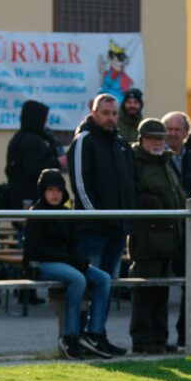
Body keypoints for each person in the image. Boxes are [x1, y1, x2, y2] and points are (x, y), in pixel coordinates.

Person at [24, 169, 113, 360]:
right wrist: (70, 260)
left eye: (58, 189)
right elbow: (35, 250)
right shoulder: (36, 214)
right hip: (43, 264)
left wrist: (79, 259)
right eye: (50, 189)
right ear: (43, 191)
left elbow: (73, 246)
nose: (55, 194)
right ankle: (70, 336)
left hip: (66, 262)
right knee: (77, 279)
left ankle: (95, 334)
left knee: (103, 278)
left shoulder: (67, 214)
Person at [67, 94, 136, 294]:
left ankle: (98, 326)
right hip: (92, 230)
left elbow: (133, 183)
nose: (111, 118)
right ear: (94, 113)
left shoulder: (122, 144)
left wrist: (128, 215)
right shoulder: (83, 141)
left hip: (117, 229)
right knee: (88, 287)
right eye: (105, 113)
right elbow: (80, 185)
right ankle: (81, 326)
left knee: (107, 287)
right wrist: (96, 216)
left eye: (114, 113)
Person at [128, 119, 187, 353]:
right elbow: (133, 194)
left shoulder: (167, 161)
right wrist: (147, 202)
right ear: (142, 139)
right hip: (146, 239)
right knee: (145, 291)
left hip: (170, 240)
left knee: (162, 291)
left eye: (161, 138)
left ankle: (159, 339)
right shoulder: (135, 162)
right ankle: (143, 340)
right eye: (152, 138)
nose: (157, 142)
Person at [162, 110, 191, 347]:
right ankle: (160, 338)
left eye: (178, 129)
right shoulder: (158, 157)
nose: (173, 134)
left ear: (186, 133)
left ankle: (185, 335)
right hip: (166, 231)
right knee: (160, 286)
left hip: (189, 231)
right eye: (169, 128)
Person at [6, 100, 65, 210]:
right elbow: (33, 169)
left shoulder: (19, 137)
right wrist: (58, 162)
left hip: (17, 196)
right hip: (30, 197)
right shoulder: (33, 141)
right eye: (44, 119)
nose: (46, 122)